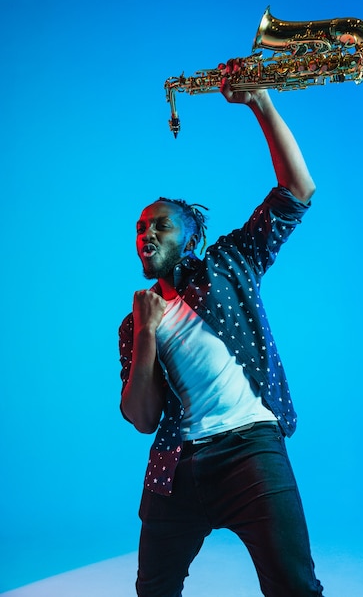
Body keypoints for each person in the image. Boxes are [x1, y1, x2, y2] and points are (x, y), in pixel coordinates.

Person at [119, 67, 325, 596]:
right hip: (177, 463)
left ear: (189, 240)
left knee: (294, 587)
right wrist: (146, 336)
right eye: (141, 228)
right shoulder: (134, 320)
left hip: (250, 449)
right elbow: (142, 418)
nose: (146, 234)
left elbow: (297, 190)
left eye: (159, 225)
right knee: (154, 590)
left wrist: (260, 103)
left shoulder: (228, 264)